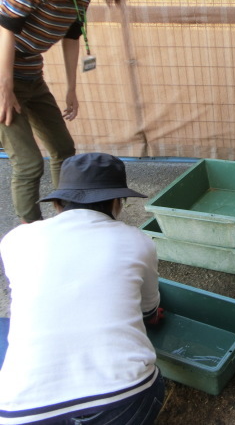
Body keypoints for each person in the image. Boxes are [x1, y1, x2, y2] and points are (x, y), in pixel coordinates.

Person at [0, 153, 165, 425]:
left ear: (56, 203)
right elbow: (150, 309)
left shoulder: (17, 239)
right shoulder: (138, 242)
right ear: (117, 202)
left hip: (20, 411)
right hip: (124, 399)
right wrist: (152, 317)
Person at [0, 0, 121, 223]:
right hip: (4, 74)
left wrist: (71, 88)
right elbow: (5, 25)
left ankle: (67, 219)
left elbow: (71, 36)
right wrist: (4, 87)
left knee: (63, 149)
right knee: (28, 163)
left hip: (32, 74)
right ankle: (31, 232)